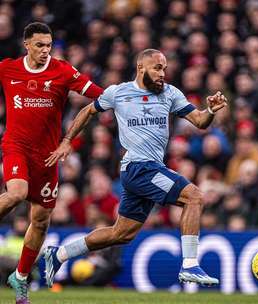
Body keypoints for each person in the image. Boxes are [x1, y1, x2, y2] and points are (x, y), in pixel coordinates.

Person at [44, 49, 227, 288]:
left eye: (165, 68)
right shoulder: (118, 93)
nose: (163, 73)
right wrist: (67, 140)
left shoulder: (170, 94)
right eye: (157, 68)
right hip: (138, 168)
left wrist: (211, 110)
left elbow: (200, 121)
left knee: (121, 234)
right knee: (194, 196)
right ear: (141, 68)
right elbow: (87, 110)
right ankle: (190, 264)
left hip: (148, 169)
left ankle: (58, 255)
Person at [0, 22, 103, 304]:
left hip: (48, 155)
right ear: (26, 45)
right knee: (17, 193)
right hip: (16, 147)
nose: (46, 50)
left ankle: (20, 278)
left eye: (49, 45)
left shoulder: (62, 70)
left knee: (41, 220)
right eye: (40, 45)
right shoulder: (7, 68)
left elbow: (97, 93)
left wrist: (131, 96)